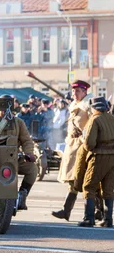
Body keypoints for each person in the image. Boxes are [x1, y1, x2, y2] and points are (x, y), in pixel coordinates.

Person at [52, 80, 92, 221]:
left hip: (83, 148)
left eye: (78, 91)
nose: (75, 94)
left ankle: (95, 212)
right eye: (74, 91)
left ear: (85, 92)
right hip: (72, 146)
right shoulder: (75, 105)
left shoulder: (89, 105)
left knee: (87, 182)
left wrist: (83, 136)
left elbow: (94, 124)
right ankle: (66, 210)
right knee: (72, 181)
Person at [0, 95, 38, 210]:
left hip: (13, 158)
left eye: (7, 105)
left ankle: (22, 196)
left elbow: (26, 140)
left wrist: (29, 153)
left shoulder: (18, 122)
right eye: (2, 105)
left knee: (32, 169)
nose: (4, 109)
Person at [78, 97, 114, 228]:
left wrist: (82, 139)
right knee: (108, 189)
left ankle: (89, 218)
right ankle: (108, 219)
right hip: (113, 158)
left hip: (99, 157)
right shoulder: (112, 118)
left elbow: (89, 144)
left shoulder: (94, 120)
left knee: (89, 186)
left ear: (93, 108)